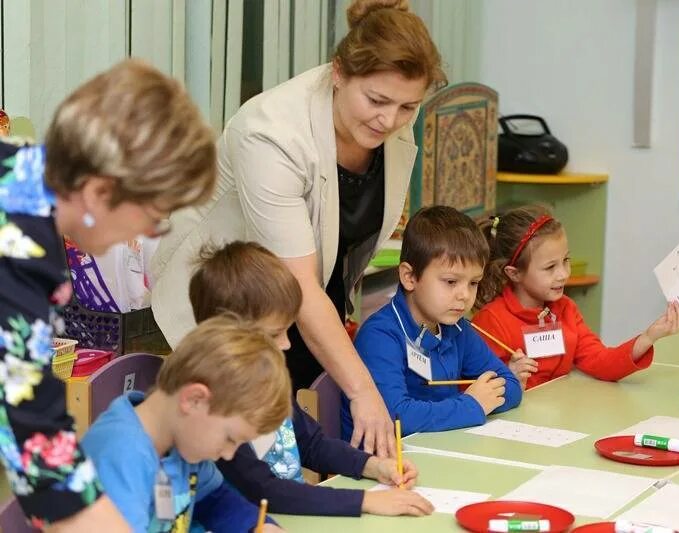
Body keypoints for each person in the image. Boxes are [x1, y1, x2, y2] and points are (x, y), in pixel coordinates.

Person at [149, 0, 446, 457]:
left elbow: (336, 252)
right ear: (339, 72)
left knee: (304, 443)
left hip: (308, 300)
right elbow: (298, 283)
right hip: (231, 304)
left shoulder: (389, 125)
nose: (390, 121)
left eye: (408, 107)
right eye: (377, 101)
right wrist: (364, 391)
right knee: (247, 457)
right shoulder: (270, 132)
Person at [0, 59, 216, 531]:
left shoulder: (20, 181)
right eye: (154, 216)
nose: (149, 233)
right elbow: (40, 447)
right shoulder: (17, 244)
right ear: (100, 192)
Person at [188, 241, 433, 517]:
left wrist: (374, 466)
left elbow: (312, 444)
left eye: (287, 331)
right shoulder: (216, 406)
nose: (285, 345)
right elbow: (266, 491)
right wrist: (364, 501)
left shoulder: (267, 378)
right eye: (273, 334)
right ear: (226, 333)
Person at [82, 315, 289, 532]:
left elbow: (216, 502)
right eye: (230, 439)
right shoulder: (120, 456)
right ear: (194, 400)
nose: (229, 455)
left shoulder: (182, 442)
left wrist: (262, 526)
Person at [342, 206, 523, 439]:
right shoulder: (380, 336)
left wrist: (479, 401)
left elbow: (511, 385)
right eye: (450, 282)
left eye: (473, 283)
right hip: (383, 463)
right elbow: (397, 417)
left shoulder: (457, 327)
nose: (464, 295)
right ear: (409, 277)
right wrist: (471, 405)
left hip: (438, 448)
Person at [472, 205, 679, 390]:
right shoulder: (491, 322)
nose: (564, 274)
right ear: (514, 273)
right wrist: (511, 379)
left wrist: (649, 336)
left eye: (566, 260)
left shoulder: (566, 310)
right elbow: (477, 389)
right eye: (550, 267)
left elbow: (602, 362)